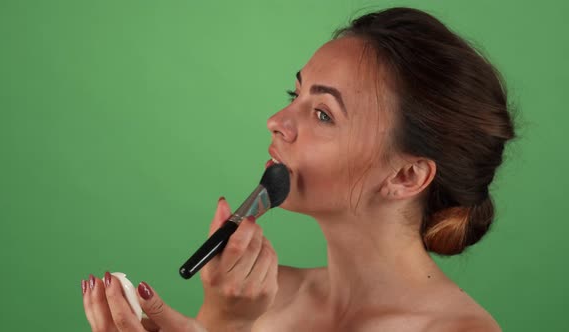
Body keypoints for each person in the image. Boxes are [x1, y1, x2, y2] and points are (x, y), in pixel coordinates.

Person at [81, 7, 515, 332]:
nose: (277, 120)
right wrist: (221, 317)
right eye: (296, 93)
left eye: (323, 114)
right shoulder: (259, 300)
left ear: (406, 176)